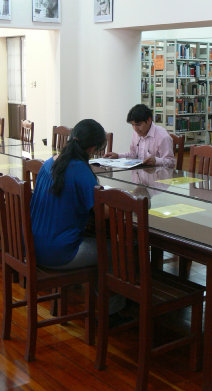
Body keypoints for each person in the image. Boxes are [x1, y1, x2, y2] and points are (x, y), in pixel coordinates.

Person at [31, 119, 106, 269]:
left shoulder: (48, 163)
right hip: (59, 253)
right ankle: (109, 292)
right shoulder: (80, 171)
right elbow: (104, 212)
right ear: (91, 149)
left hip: (32, 247)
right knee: (120, 250)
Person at [105, 104, 176, 168]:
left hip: (157, 178)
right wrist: (118, 156)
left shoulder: (162, 136)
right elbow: (133, 154)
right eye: (132, 125)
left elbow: (171, 162)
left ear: (149, 120)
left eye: (138, 124)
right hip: (140, 175)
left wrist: (156, 161)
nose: (135, 129)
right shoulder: (136, 133)